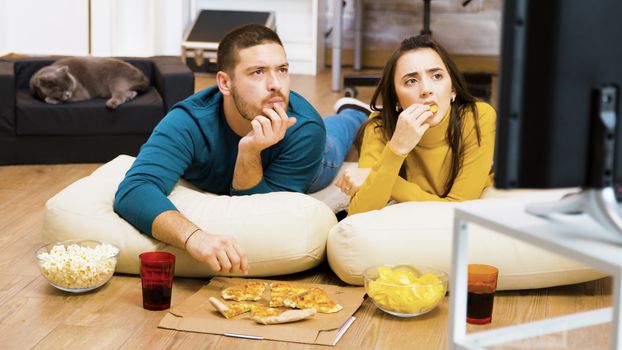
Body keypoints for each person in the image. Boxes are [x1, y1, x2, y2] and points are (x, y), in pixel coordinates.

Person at [113, 25, 368, 275]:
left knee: (334, 140)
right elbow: (135, 190)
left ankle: (356, 114)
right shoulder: (188, 121)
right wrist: (194, 237)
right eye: (257, 72)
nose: (275, 84)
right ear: (225, 82)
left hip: (315, 163)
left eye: (282, 70)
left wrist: (249, 153)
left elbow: (261, 211)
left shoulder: (304, 129)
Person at [335, 35, 496, 216]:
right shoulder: (379, 128)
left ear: (453, 90)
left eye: (437, 76)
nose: (426, 89)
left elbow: (459, 209)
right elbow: (357, 214)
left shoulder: (479, 116)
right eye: (411, 81)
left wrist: (382, 179)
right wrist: (396, 149)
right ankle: (353, 114)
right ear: (396, 99)